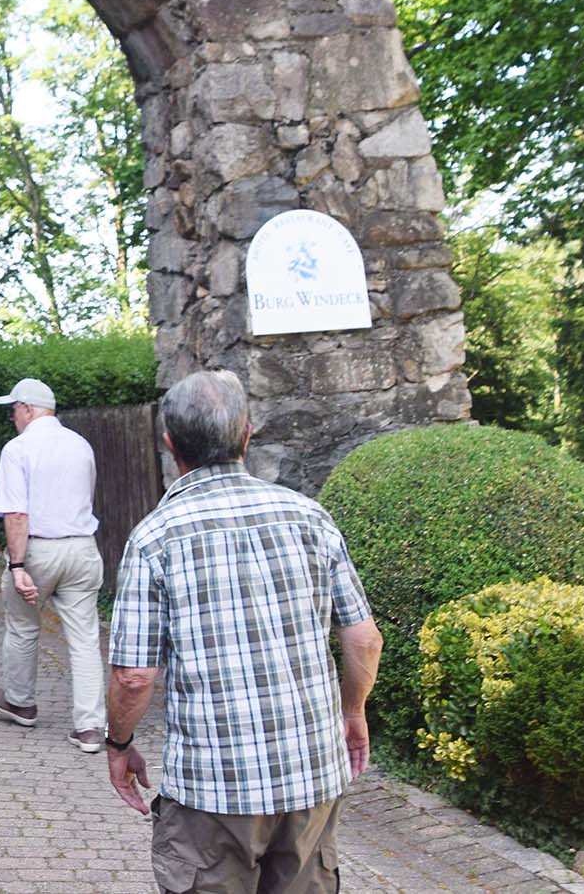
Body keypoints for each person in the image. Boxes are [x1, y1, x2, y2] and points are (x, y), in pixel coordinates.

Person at [104, 370, 384, 894]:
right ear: (247, 435)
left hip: (213, 792)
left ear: (169, 445)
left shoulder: (154, 538)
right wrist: (352, 711)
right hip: (311, 777)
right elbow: (365, 638)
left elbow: (136, 676)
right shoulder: (310, 517)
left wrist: (118, 743)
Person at [0, 377, 107, 752]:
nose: (12, 418)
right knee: (85, 639)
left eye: (13, 411)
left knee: (23, 627)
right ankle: (90, 727)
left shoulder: (18, 449)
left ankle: (21, 701)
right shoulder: (80, 445)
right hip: (83, 548)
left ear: (27, 408)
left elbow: (17, 514)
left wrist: (17, 565)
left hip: (39, 550)